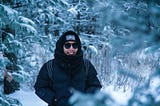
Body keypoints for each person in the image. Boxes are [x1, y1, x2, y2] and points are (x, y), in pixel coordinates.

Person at [34, 30, 102, 106]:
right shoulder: (49, 66)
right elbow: (40, 87)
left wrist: (84, 99)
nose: (71, 48)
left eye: (74, 45)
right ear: (61, 46)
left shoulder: (86, 65)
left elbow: (95, 86)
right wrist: (54, 99)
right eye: (67, 45)